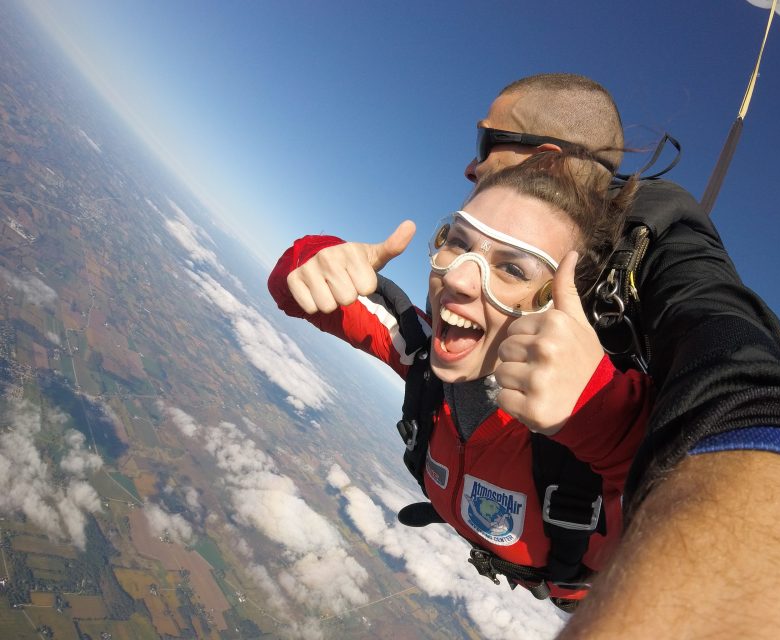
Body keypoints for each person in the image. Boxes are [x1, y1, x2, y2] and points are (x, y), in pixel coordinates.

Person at [459, 74, 780, 638]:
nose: (471, 165)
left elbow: (733, 357)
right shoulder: (485, 248)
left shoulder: (658, 240)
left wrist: (761, 482)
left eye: (487, 140)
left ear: (543, 158)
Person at [268, 153, 652, 609]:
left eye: (512, 268)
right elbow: (298, 294)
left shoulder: (604, 429)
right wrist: (318, 258)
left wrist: (598, 410)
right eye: (456, 242)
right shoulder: (422, 354)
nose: (460, 278)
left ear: (560, 304)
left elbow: (691, 498)